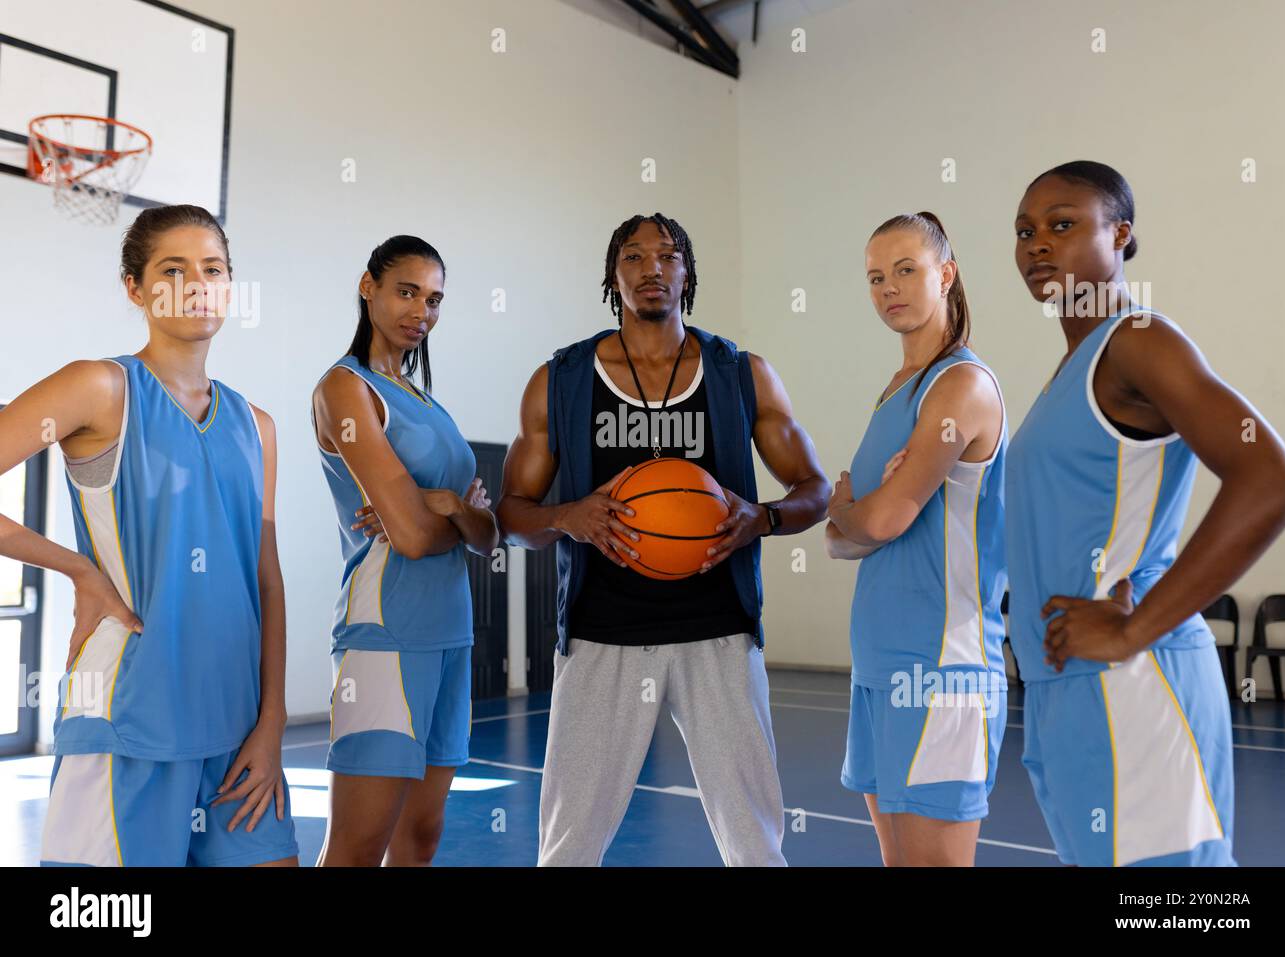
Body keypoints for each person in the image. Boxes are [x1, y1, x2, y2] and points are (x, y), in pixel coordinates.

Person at [498, 212, 830, 866]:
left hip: (718, 633)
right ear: (611, 274)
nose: (653, 267)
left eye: (669, 255)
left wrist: (759, 517)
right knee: (567, 846)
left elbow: (814, 488)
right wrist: (569, 517)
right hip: (602, 635)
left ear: (688, 272)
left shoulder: (742, 374)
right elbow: (514, 512)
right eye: (634, 256)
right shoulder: (561, 379)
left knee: (755, 843)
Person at [1007, 160, 1285, 866]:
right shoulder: (1071, 369)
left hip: (1132, 678)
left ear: (1121, 234)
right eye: (1024, 230)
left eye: (1063, 223)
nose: (1037, 243)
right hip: (1063, 684)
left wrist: (1137, 625)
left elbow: (1271, 476)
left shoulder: (1137, 340)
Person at [0, 204, 298, 866]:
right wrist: (78, 567)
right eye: (173, 269)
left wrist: (273, 718)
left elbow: (267, 580)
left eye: (213, 268)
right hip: (127, 720)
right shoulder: (101, 388)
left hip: (239, 730)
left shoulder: (258, 426)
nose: (196, 282)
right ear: (134, 287)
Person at [827, 211, 1008, 866]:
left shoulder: (961, 385)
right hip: (879, 661)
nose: (889, 287)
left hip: (943, 668)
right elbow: (841, 540)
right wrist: (855, 516)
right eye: (876, 276)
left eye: (906, 269)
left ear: (946, 274)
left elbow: (877, 523)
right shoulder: (895, 392)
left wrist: (854, 510)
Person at [312, 235, 497, 866]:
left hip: (451, 633)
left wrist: (448, 508)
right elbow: (416, 538)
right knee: (358, 847)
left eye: (435, 299)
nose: (422, 311)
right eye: (407, 292)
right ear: (369, 287)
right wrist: (454, 512)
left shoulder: (428, 403)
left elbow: (489, 536)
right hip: (384, 634)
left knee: (420, 839)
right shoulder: (345, 389)